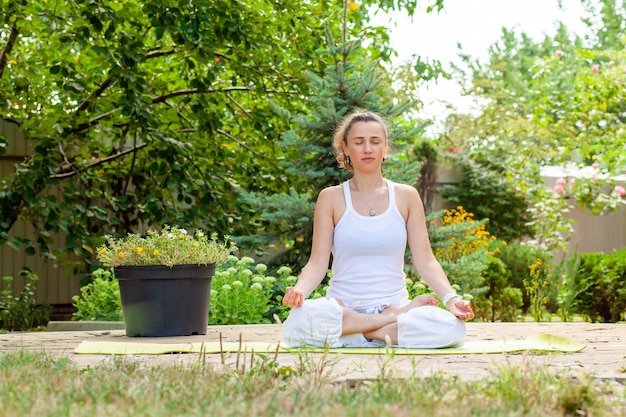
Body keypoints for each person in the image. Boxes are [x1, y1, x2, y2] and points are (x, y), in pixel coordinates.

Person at [281, 109, 474, 348]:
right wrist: (299, 291)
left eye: (375, 141)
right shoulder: (330, 198)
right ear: (345, 149)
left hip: (394, 304)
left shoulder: (406, 196)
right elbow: (317, 263)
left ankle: (359, 333)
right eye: (359, 142)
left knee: (454, 329)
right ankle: (384, 324)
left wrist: (451, 298)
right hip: (344, 308)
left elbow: (426, 260)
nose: (368, 149)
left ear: (385, 148)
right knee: (296, 324)